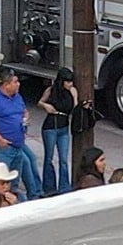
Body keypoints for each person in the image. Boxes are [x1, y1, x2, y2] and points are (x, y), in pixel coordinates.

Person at [0, 67, 43, 198]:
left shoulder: (17, 97)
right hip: (4, 148)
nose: (18, 84)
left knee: (14, 181)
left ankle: (26, 196)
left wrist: (25, 118)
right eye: (15, 82)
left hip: (18, 145)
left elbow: (24, 110)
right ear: (6, 84)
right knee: (2, 179)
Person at [40, 66, 79, 195]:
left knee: (63, 159)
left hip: (63, 127)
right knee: (49, 158)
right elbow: (40, 102)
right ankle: (49, 187)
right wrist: (46, 106)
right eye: (67, 81)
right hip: (50, 126)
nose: (70, 84)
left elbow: (75, 107)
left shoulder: (72, 91)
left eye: (71, 81)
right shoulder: (51, 90)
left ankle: (64, 187)